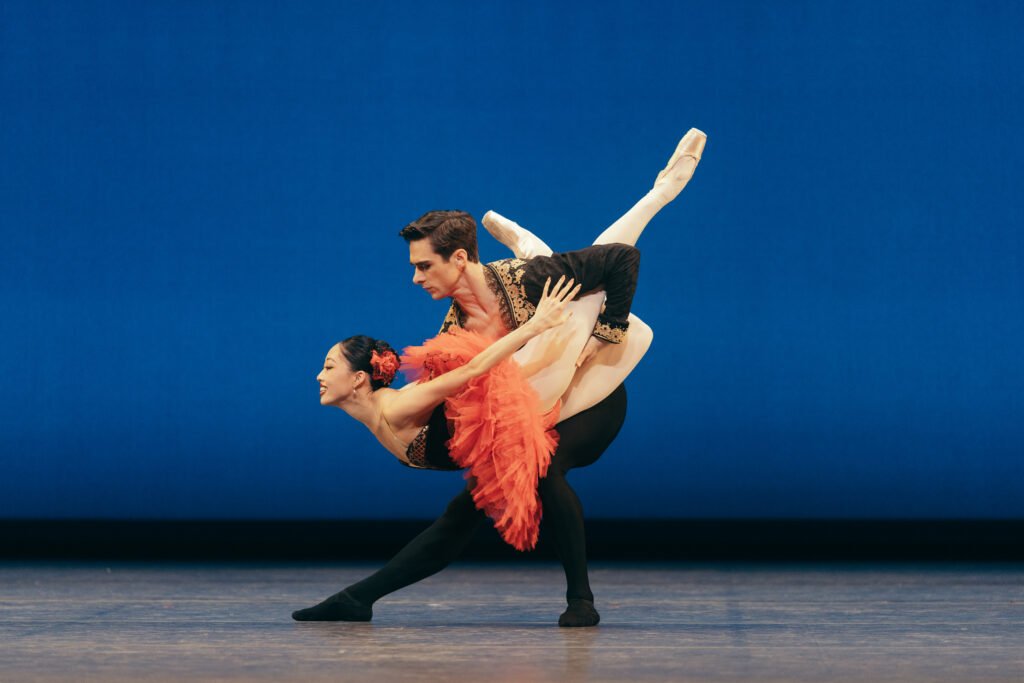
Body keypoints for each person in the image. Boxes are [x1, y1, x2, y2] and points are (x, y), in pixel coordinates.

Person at [292, 127, 706, 626]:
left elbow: (621, 259)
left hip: (591, 392)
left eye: (424, 266)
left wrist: (609, 333)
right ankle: (357, 599)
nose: (415, 278)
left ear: (460, 258)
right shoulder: (453, 328)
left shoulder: (524, 282)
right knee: (460, 515)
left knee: (546, 467)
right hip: (527, 396)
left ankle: (582, 602)